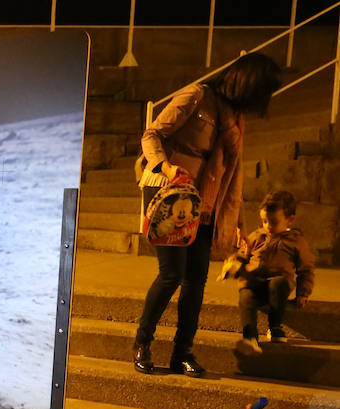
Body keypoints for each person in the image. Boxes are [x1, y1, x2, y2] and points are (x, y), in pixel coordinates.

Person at [133, 52, 281, 377]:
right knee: (171, 274)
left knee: (196, 280)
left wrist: (238, 222)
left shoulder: (235, 118)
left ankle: (181, 353)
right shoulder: (197, 95)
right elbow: (152, 134)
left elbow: (232, 175)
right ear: (246, 83)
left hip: (207, 202)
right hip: (171, 194)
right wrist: (166, 166)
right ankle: (143, 343)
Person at [235, 191, 315, 354]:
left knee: (278, 283)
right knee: (245, 296)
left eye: (273, 222)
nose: (268, 226)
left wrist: (303, 293)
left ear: (289, 219)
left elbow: (306, 269)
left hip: (278, 284)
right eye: (264, 221)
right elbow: (243, 255)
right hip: (254, 282)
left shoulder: (295, 241)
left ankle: (275, 326)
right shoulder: (257, 236)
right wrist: (235, 265)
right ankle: (250, 337)